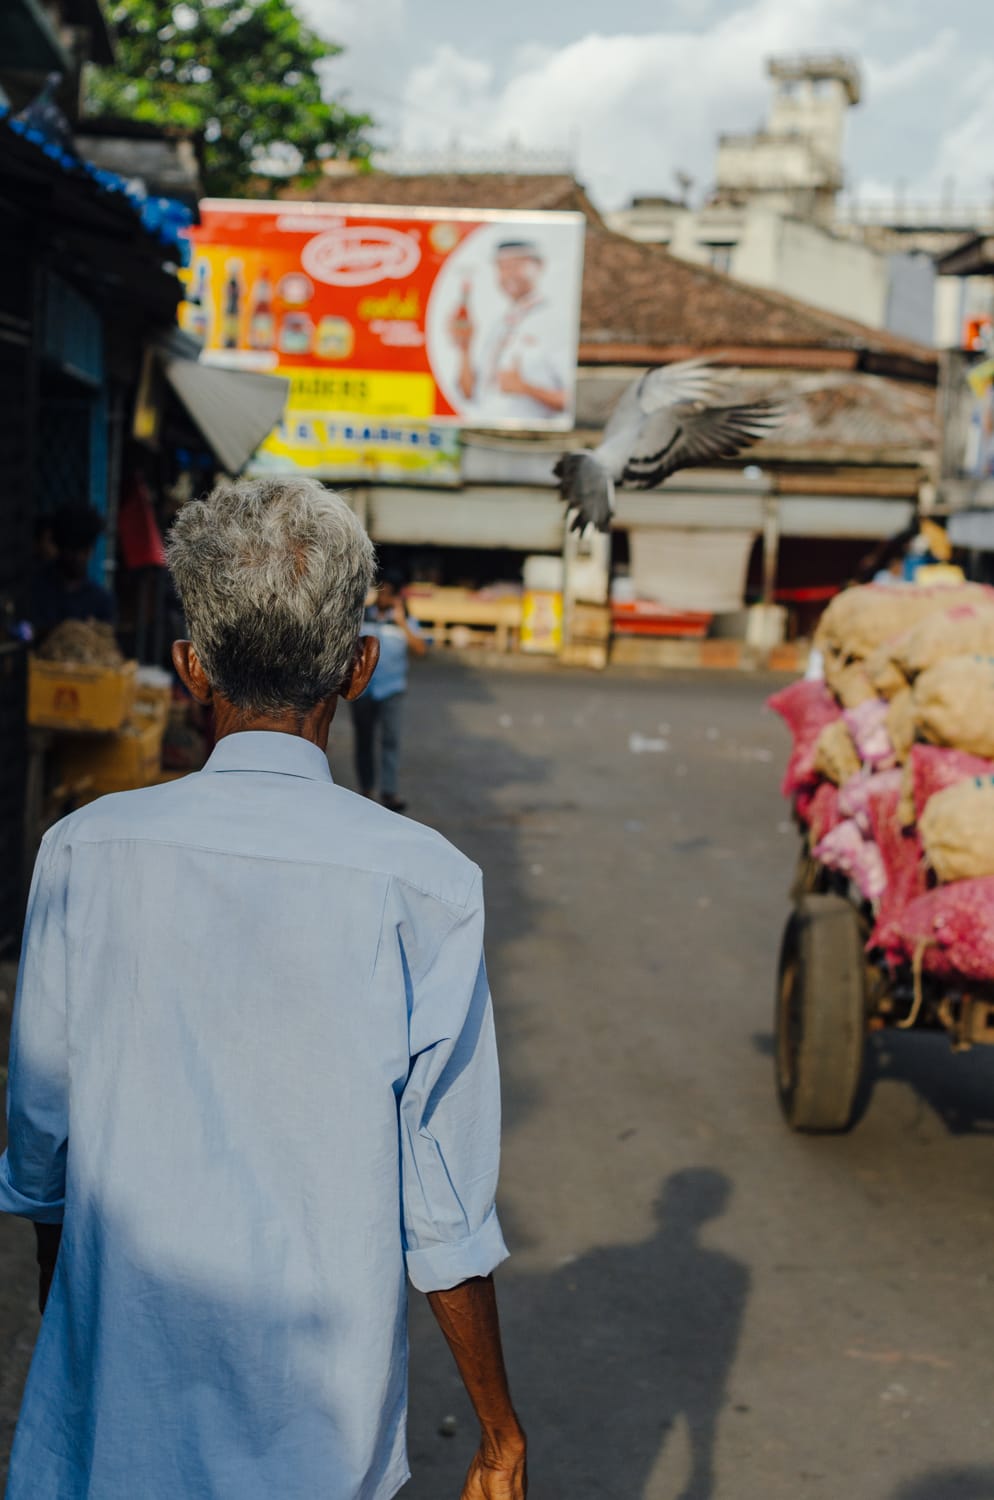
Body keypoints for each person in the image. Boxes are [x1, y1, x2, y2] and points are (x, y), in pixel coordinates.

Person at [0, 477, 526, 1500]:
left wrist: (87, 1345)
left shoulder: (82, 853)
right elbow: (445, 1206)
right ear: (360, 668)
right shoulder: (426, 883)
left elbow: (40, 1159)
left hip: (114, 1431)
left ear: (191, 668)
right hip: (316, 1445)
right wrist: (498, 1433)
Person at [449, 240, 567, 422]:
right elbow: (470, 394)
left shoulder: (555, 322)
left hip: (529, 433)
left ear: (539, 266)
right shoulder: (501, 324)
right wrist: (464, 347)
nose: (508, 274)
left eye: (516, 266)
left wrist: (525, 388)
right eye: (502, 267)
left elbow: (570, 401)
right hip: (485, 428)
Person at [351, 572, 427, 813]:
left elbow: (421, 650)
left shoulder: (406, 621)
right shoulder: (363, 616)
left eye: (389, 592)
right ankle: (366, 790)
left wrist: (401, 622)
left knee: (390, 741)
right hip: (364, 689)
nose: (384, 596)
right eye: (381, 590)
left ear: (397, 596)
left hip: (392, 690)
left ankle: (389, 791)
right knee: (364, 740)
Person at [30, 502, 115, 639]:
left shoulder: (101, 601)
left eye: (84, 550)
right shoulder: (34, 591)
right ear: (60, 547)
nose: (78, 558)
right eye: (72, 550)